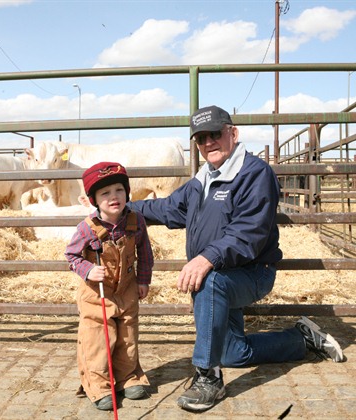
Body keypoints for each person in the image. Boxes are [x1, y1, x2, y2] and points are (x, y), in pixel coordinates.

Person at [128, 105, 344, 413]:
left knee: (208, 281)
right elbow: (167, 208)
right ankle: (301, 339)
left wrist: (206, 258)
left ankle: (207, 377)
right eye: (201, 138)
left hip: (253, 272)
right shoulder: (202, 180)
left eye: (215, 134)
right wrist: (124, 209)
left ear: (233, 133)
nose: (208, 143)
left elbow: (249, 233)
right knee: (232, 353)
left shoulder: (255, 174)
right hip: (223, 274)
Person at [65, 161, 154, 411]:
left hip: (126, 288)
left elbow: (145, 254)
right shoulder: (87, 228)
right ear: (94, 199)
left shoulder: (137, 222)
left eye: (118, 190)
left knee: (127, 335)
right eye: (105, 193)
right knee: (99, 339)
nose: (113, 197)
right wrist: (89, 270)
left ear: (127, 192)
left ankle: (129, 378)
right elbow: (71, 256)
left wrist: (144, 280)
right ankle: (99, 386)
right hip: (97, 295)